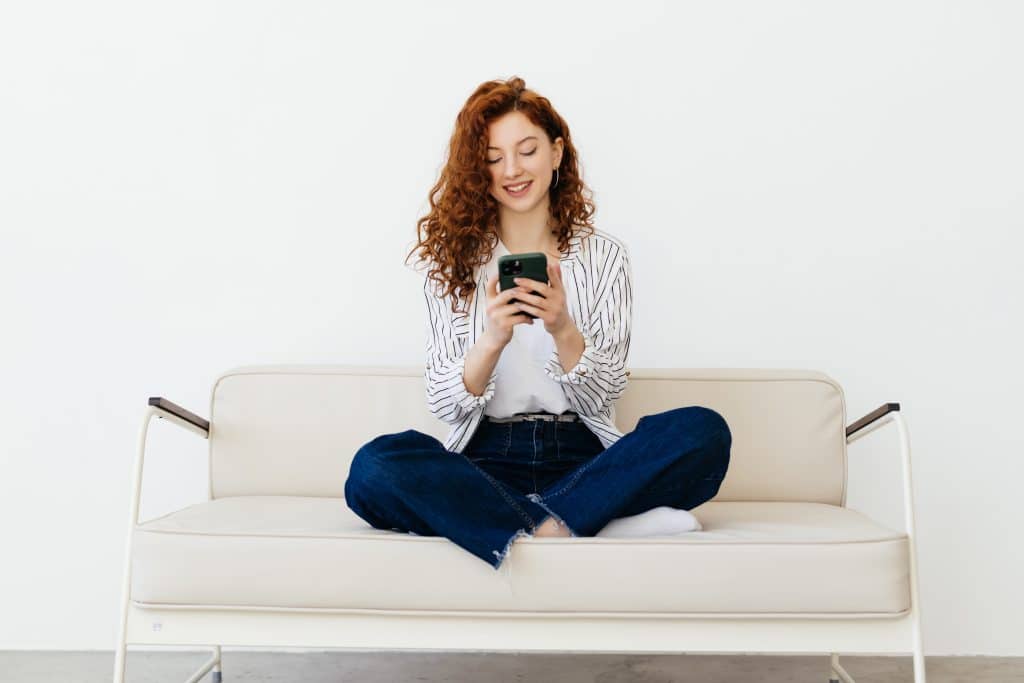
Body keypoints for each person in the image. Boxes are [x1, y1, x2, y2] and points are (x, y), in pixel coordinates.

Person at [344, 76, 731, 574]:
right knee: (373, 468)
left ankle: (528, 522)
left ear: (556, 151)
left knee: (703, 430)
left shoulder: (604, 256)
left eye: (526, 150)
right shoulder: (451, 262)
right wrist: (491, 341)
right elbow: (442, 402)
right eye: (492, 157)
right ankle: (575, 521)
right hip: (484, 460)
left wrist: (562, 327)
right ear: (475, 169)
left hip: (585, 456)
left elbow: (604, 394)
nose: (512, 170)